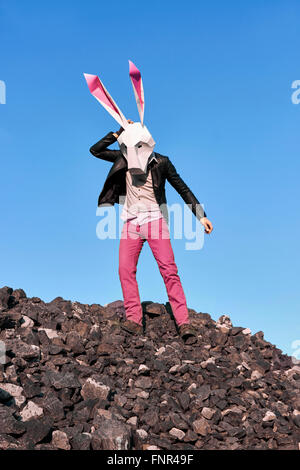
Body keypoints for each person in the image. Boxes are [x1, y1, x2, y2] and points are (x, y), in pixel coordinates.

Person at [89, 119, 213, 343]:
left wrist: (201, 216)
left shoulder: (162, 162)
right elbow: (95, 151)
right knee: (125, 269)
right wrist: (118, 132)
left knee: (169, 270)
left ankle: (184, 323)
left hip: (155, 221)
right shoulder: (123, 158)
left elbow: (182, 188)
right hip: (131, 223)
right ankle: (134, 320)